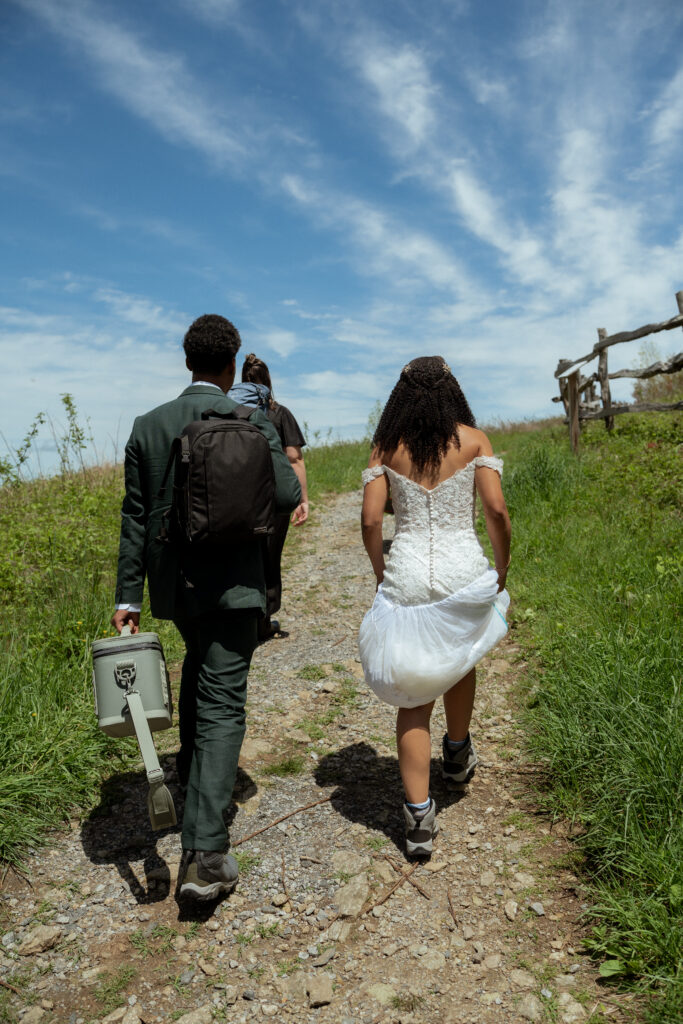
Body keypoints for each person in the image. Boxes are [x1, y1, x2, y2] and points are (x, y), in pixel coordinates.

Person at [111, 315, 301, 899]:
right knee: (223, 699)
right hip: (237, 587)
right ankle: (205, 855)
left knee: (198, 663)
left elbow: (136, 519)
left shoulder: (148, 426)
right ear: (230, 363)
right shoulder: (250, 419)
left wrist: (128, 597)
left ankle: (192, 773)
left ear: (187, 360)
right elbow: (290, 494)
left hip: (177, 591)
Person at [359, 356, 511, 856]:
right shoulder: (473, 440)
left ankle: (419, 818)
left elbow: (369, 521)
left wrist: (384, 574)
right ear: (452, 391)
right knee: (461, 655)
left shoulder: (386, 447)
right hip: (461, 569)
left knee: (413, 697)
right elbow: (495, 510)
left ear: (400, 395)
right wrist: (501, 566)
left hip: (407, 575)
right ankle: (456, 753)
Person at [240, 354, 309, 638]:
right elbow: (294, 458)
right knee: (270, 558)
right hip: (275, 500)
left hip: (239, 498)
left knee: (244, 559)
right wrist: (302, 498)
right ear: (269, 382)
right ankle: (264, 621)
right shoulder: (280, 414)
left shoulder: (233, 413)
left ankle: (245, 621)